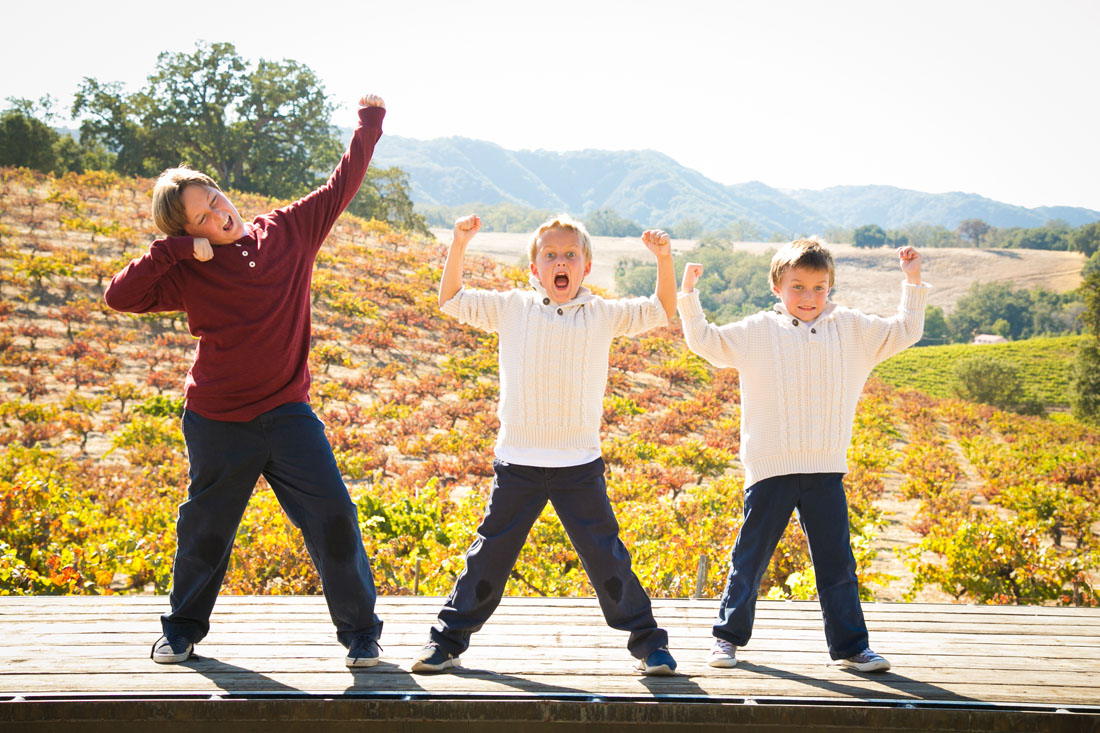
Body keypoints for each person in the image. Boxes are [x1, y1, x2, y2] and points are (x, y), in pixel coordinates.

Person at [104, 94, 388, 668]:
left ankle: (360, 634)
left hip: (287, 413)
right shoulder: (187, 270)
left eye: (216, 199)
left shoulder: (288, 231)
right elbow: (119, 296)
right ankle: (182, 630)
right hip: (216, 419)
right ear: (188, 231)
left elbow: (341, 185)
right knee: (206, 529)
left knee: (334, 516)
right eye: (202, 216)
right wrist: (179, 250)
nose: (220, 214)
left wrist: (369, 125)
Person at [411, 214, 679, 675]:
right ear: (534, 268)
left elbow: (661, 308)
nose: (561, 262)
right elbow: (451, 299)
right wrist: (459, 244)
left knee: (608, 560)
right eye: (550, 255)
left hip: (579, 466)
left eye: (570, 255)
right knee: (487, 559)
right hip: (517, 463)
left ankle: (649, 644)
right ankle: (446, 642)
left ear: (586, 267)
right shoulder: (512, 307)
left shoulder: (602, 314)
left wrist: (665, 258)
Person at [678, 238, 928, 672]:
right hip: (770, 467)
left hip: (825, 468)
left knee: (837, 564)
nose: (809, 297)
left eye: (819, 287)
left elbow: (905, 330)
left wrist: (912, 280)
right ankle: (726, 639)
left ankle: (852, 648)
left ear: (830, 287)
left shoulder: (852, 329)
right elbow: (705, 342)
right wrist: (689, 294)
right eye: (798, 287)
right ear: (778, 287)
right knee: (749, 559)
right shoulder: (757, 330)